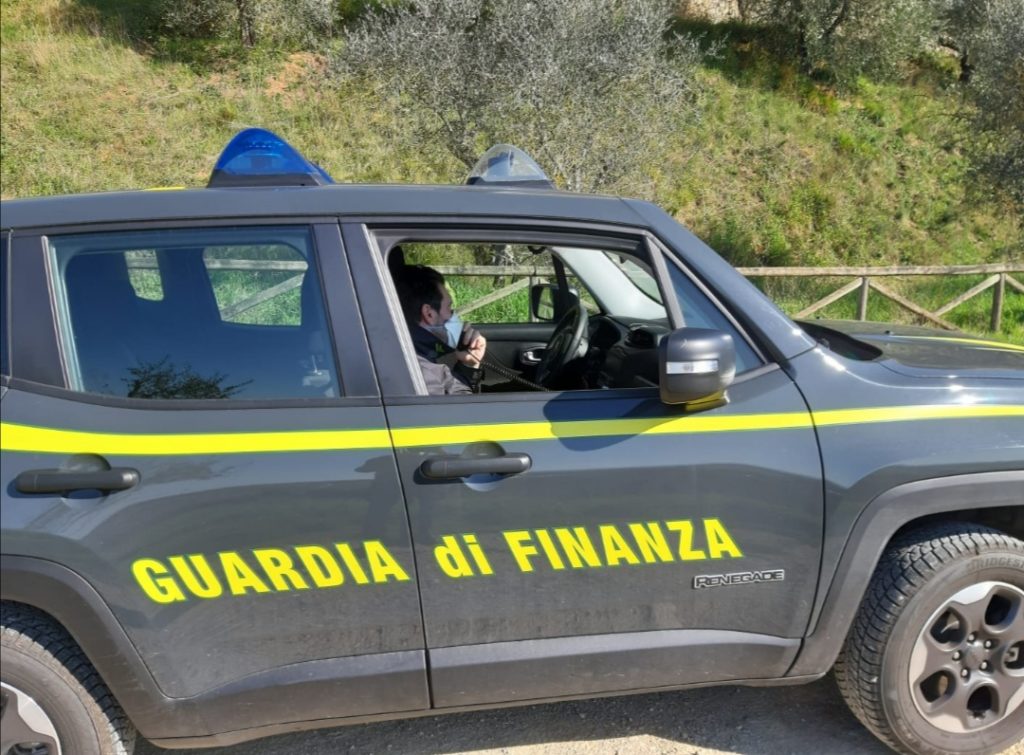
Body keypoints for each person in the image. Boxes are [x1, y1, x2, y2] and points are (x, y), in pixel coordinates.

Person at [393, 264, 487, 395]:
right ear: (429, 313)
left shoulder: (407, 354)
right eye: (449, 308)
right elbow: (464, 411)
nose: (454, 316)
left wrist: (469, 365)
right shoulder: (423, 375)